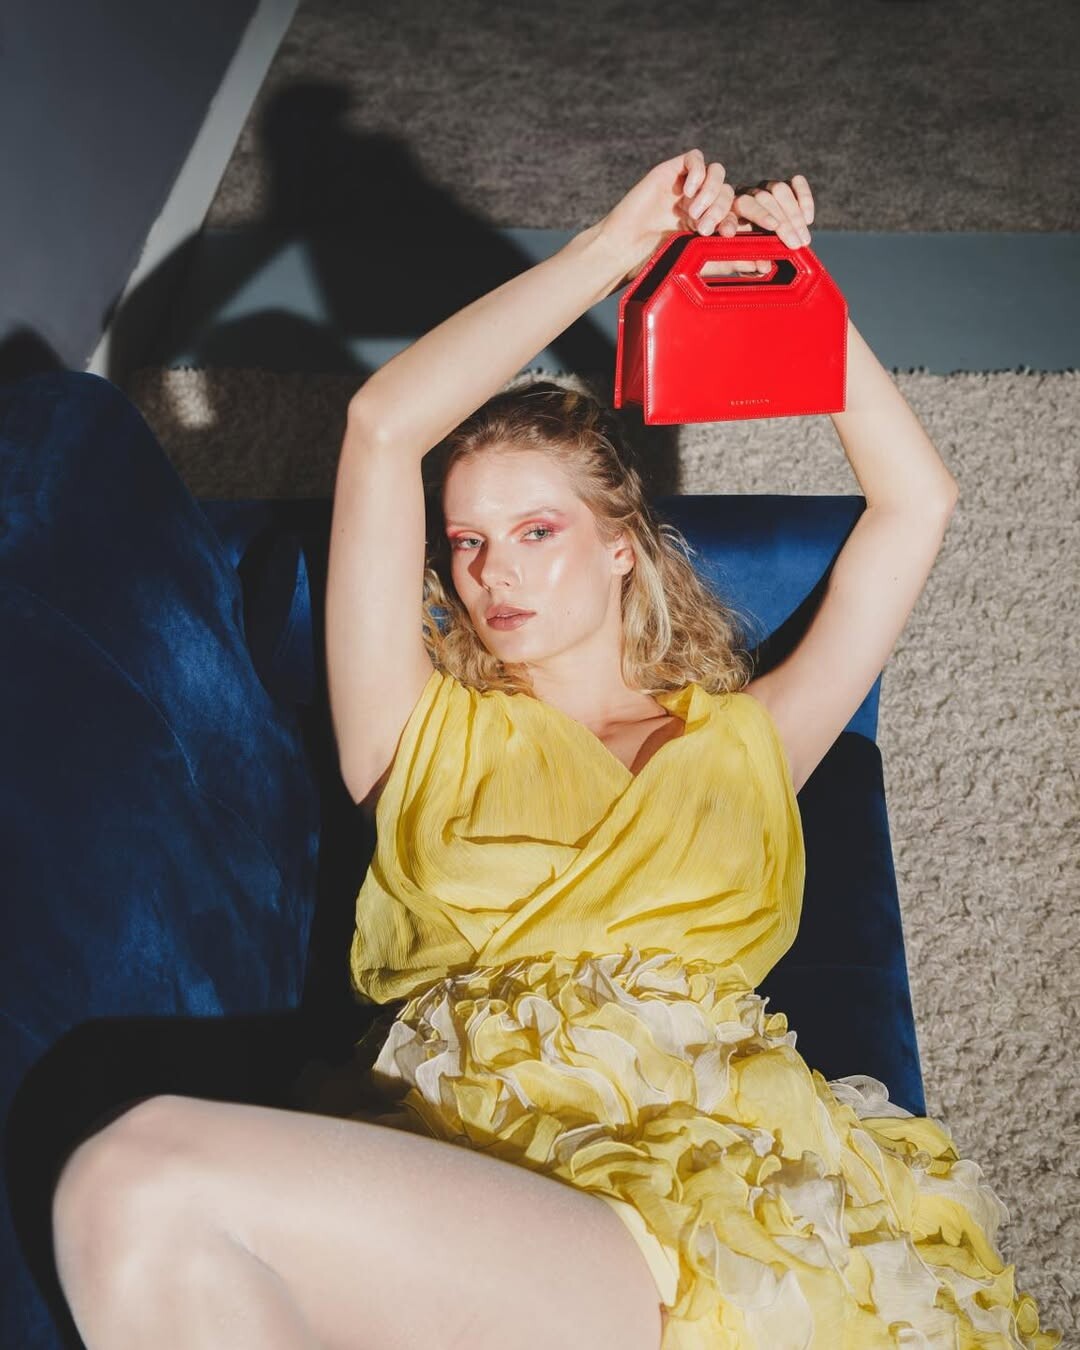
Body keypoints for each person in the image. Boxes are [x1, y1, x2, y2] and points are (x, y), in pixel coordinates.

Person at [50, 150, 1060, 1349]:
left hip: (714, 1202)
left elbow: (918, 505)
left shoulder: (755, 737)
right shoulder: (415, 725)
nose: (497, 572)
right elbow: (382, 426)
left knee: (140, 1176)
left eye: (537, 529)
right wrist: (608, 253)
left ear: (623, 543)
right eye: (467, 541)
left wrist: (790, 283)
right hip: (476, 1184)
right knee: (130, 1182)